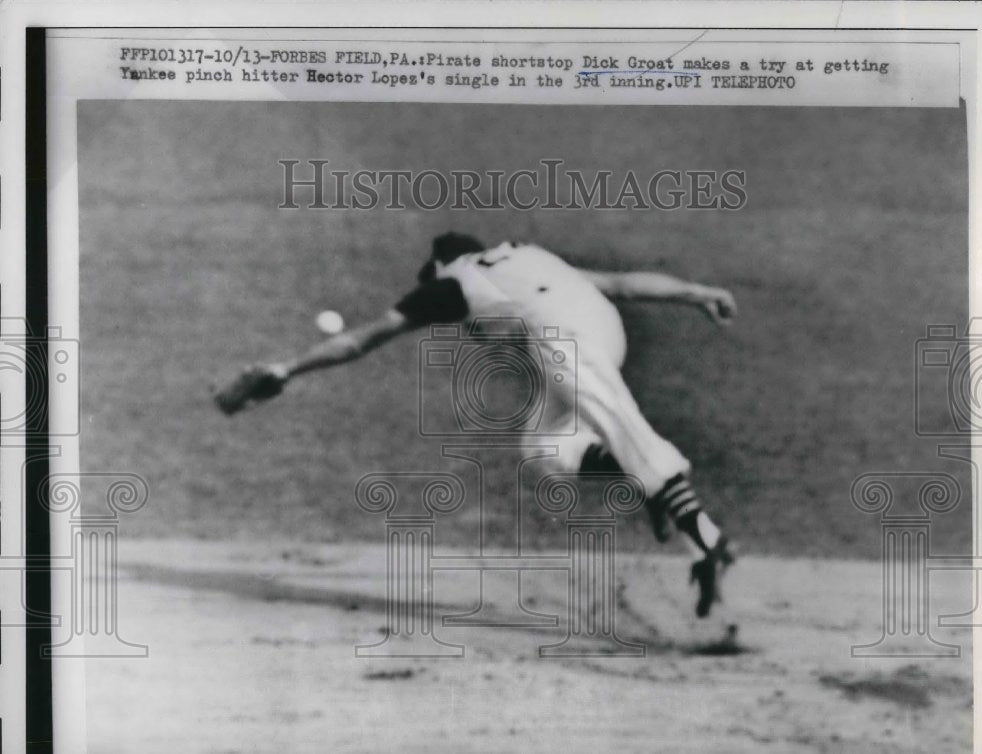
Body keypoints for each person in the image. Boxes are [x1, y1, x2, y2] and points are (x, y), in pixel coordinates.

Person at [215, 232, 738, 617]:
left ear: (440, 266)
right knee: (546, 450)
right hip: (602, 329)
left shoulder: (452, 282)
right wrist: (696, 293)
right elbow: (622, 284)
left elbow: (360, 340)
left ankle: (706, 540)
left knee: (632, 439)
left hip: (563, 341)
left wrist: (287, 368)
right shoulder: (529, 255)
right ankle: (651, 490)